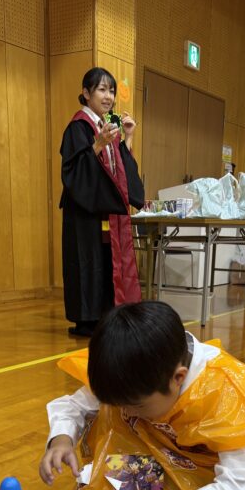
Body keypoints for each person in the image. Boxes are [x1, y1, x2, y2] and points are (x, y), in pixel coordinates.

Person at [39, 301, 245, 490]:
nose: (126, 412)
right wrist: (61, 440)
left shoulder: (225, 391)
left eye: (136, 406)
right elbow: (74, 406)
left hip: (198, 474)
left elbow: (241, 482)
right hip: (153, 463)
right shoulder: (126, 368)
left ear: (178, 378)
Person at [60, 68, 145, 338]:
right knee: (87, 262)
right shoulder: (78, 126)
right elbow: (72, 172)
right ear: (86, 93)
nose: (108, 96)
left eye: (111, 91)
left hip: (106, 211)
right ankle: (86, 319)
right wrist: (97, 145)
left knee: (107, 262)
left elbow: (121, 171)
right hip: (84, 211)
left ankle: (107, 315)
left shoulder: (108, 127)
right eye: (102, 89)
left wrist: (127, 138)